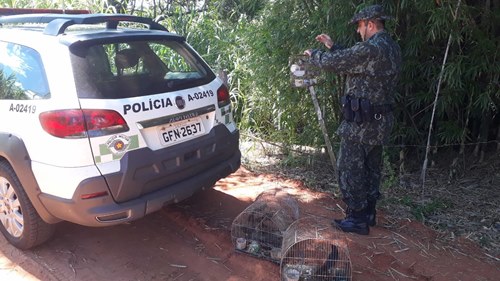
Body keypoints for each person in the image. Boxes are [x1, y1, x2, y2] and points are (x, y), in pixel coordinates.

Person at [304, 4, 402, 235]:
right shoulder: (391, 48)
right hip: (379, 122)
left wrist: (315, 55)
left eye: (359, 26)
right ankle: (368, 213)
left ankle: (356, 218)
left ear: (370, 24)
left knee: (349, 168)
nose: (359, 31)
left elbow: (338, 62)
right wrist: (332, 46)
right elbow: (354, 60)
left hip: (361, 125)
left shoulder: (372, 49)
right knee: (371, 168)